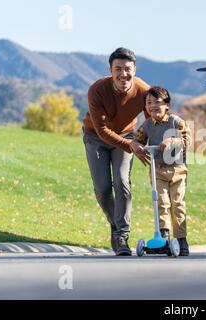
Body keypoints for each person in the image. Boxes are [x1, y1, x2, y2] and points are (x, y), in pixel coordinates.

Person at [82, 47, 150, 256]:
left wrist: (152, 144)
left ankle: (121, 235)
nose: (123, 74)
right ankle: (115, 222)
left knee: (122, 181)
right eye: (118, 69)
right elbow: (102, 130)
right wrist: (131, 146)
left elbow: (152, 121)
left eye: (127, 69)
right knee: (102, 188)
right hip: (96, 138)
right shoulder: (97, 90)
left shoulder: (144, 91)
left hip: (127, 135)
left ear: (135, 69)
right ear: (110, 70)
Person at [134, 86, 192, 256]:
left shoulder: (175, 121)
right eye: (148, 103)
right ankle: (164, 235)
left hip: (177, 170)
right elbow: (138, 139)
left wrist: (172, 141)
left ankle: (181, 238)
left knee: (178, 204)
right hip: (157, 169)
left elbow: (186, 140)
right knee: (161, 203)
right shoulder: (146, 125)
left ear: (167, 105)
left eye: (157, 102)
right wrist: (137, 145)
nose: (152, 106)